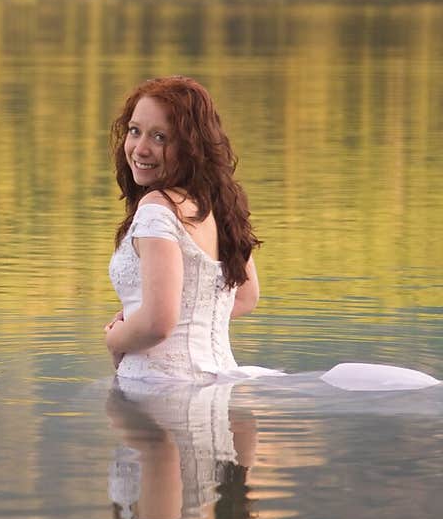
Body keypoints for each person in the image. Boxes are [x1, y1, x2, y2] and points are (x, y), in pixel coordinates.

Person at [104, 76, 438, 391]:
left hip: (157, 388)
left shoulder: (156, 208)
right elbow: (246, 297)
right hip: (216, 380)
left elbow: (159, 324)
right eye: (135, 131)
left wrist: (116, 336)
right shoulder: (216, 204)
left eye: (160, 137)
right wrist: (150, 317)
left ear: (191, 146)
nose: (140, 148)